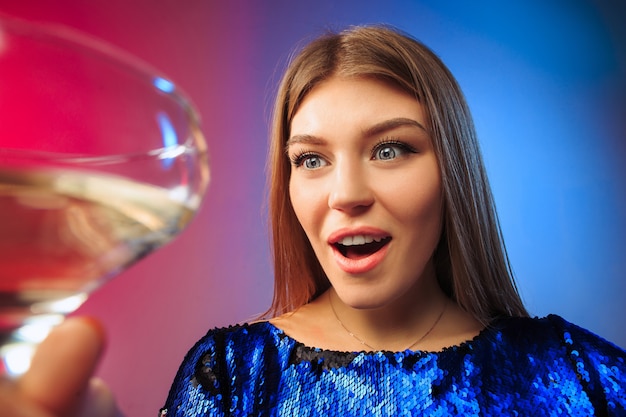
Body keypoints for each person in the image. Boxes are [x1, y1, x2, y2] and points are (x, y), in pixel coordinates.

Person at [6, 25, 626, 417]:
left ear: (453, 174)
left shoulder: (580, 373)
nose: (346, 194)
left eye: (391, 149)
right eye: (311, 159)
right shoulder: (233, 376)